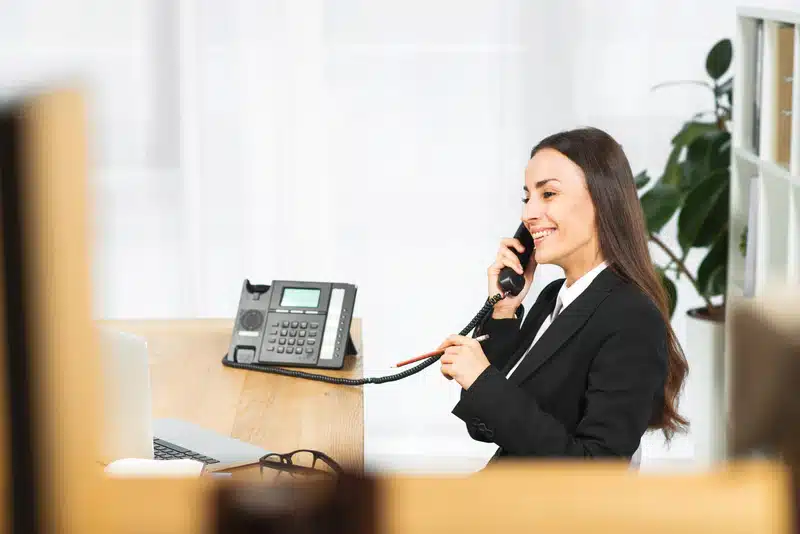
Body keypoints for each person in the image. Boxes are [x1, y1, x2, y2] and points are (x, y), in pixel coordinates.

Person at [438, 126, 689, 463]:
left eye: (549, 194)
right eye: (527, 197)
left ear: (603, 200)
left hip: (541, 513)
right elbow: (484, 428)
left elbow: (595, 470)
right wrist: (503, 312)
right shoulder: (554, 298)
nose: (528, 214)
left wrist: (482, 381)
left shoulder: (632, 318)